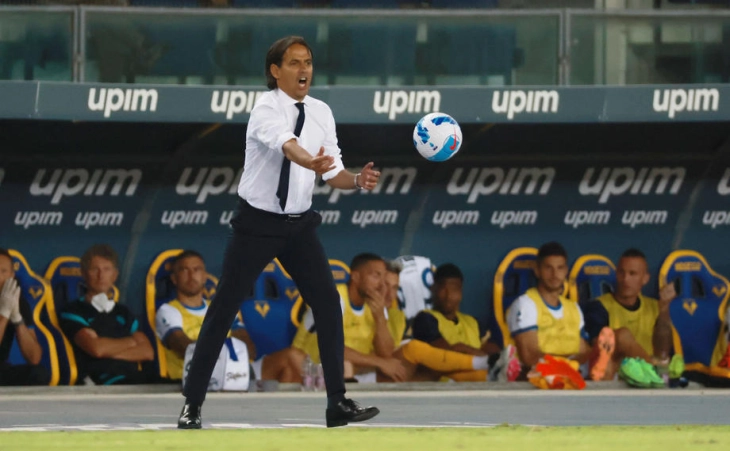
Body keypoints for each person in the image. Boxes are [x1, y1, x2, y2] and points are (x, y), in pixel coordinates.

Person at [178, 35, 382, 429]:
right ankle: (192, 404)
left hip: (300, 224)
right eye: (294, 63)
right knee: (223, 310)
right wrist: (312, 162)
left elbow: (334, 172)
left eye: (308, 62)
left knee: (328, 302)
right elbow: (290, 148)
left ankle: (337, 403)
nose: (304, 70)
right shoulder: (265, 108)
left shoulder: (321, 112)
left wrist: (357, 180)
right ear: (275, 71)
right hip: (258, 223)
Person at [292, 254, 491, 384]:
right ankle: (485, 366)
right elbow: (331, 348)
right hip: (315, 370)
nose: (382, 288)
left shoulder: (377, 305)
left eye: (392, 286)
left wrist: (379, 318)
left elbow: (386, 353)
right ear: (357, 277)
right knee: (350, 364)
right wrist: (380, 362)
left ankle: (488, 372)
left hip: (362, 373)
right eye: (377, 278)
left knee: (423, 364)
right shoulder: (335, 298)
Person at [156, 250, 301, 383]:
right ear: (174, 278)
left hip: (236, 372)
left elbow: (249, 349)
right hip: (198, 378)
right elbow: (185, 348)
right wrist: (229, 349)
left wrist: (215, 351)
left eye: (197, 269)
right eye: (184, 270)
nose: (191, 275)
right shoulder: (168, 310)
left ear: (205, 276)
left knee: (293, 358)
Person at [506, 242, 615, 381]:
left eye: (560, 268)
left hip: (573, 373)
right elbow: (530, 357)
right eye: (548, 268)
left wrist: (592, 357)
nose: (554, 274)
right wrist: (568, 363)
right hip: (540, 377)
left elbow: (584, 351)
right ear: (537, 271)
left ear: (566, 271)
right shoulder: (526, 304)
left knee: (606, 365)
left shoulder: (573, 308)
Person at [59, 244, 154, 385]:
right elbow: (97, 349)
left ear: (115, 275)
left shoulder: (123, 312)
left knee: (178, 388)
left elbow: (147, 352)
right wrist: (131, 342)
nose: (101, 275)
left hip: (135, 378)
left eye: (107, 269)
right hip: (101, 382)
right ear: (84, 273)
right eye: (94, 269)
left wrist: (109, 351)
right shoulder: (73, 310)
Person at [580, 248, 677, 384]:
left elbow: (663, 353)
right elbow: (599, 349)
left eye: (633, 274)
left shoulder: (656, 307)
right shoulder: (599, 306)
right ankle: (657, 375)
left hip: (645, 377)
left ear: (645, 279)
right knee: (622, 336)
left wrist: (664, 309)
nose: (626, 279)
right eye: (621, 273)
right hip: (615, 375)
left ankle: (655, 374)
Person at [0, 248, 50, 386]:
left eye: (3, 271)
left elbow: (34, 358)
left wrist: (17, 319)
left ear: (12, 275)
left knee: (39, 373)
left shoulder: (18, 302)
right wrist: (4, 313)